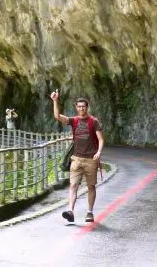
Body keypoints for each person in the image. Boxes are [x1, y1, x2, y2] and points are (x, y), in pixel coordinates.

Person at [50, 90, 105, 223]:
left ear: (87, 107)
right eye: (79, 106)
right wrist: (55, 101)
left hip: (91, 159)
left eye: (83, 106)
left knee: (91, 186)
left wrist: (98, 152)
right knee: (73, 185)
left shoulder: (93, 121)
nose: (81, 108)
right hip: (76, 159)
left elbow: (101, 139)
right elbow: (57, 116)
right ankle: (70, 211)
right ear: (76, 107)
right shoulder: (73, 120)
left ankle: (89, 212)